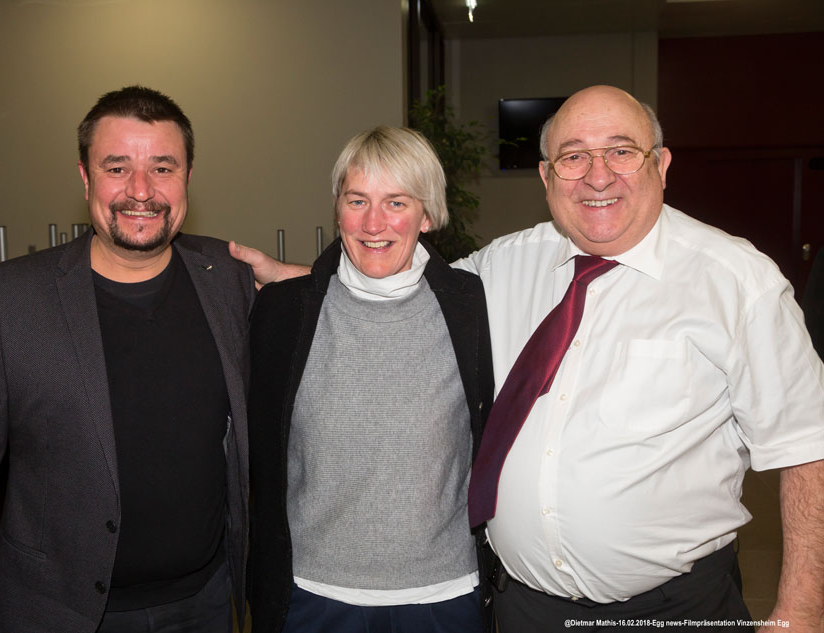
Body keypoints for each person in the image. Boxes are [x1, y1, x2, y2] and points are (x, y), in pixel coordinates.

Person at [231, 86, 824, 632]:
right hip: (522, 606)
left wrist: (799, 614)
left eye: (621, 152)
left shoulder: (737, 282)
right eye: (573, 157)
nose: (597, 175)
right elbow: (399, 282)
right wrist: (303, 284)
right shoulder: (502, 267)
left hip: (673, 607)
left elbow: (808, 447)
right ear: (546, 174)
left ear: (661, 164)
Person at [0, 86, 254, 633]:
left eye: (162, 167)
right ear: (85, 178)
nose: (141, 190)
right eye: (117, 168)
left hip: (207, 604)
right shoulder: (13, 300)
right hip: (60, 613)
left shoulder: (229, 279)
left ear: (188, 177)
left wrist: (308, 279)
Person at [247, 126, 495, 633]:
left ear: (427, 215)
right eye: (357, 200)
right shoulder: (284, 312)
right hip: (313, 595)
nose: (373, 223)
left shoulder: (472, 306)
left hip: (444, 596)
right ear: (338, 209)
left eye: (396, 202)